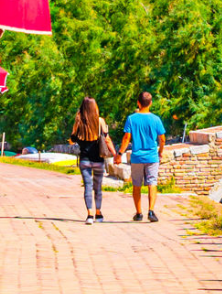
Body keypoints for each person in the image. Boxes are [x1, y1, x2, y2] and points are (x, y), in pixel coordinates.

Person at [68, 97, 119, 223]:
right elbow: (106, 139)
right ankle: (99, 213)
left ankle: (89, 215)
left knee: (87, 186)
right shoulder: (100, 121)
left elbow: (72, 139)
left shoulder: (78, 121)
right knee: (98, 187)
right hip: (98, 159)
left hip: (84, 160)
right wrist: (115, 154)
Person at [120, 91, 167, 222]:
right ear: (151, 103)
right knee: (152, 182)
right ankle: (151, 211)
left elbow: (127, 138)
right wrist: (160, 151)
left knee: (136, 185)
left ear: (138, 103)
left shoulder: (131, 119)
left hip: (137, 157)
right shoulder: (156, 119)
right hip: (152, 157)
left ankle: (139, 213)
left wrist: (119, 154)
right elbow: (162, 139)